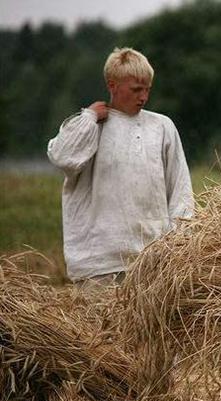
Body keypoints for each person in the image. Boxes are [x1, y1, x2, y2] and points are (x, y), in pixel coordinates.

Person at [47, 47, 193, 293]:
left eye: (147, 89)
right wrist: (88, 117)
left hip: (152, 262)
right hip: (98, 265)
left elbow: (180, 191)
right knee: (94, 332)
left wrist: (178, 248)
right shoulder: (90, 126)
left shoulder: (162, 126)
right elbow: (62, 157)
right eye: (136, 89)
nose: (143, 97)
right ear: (112, 85)